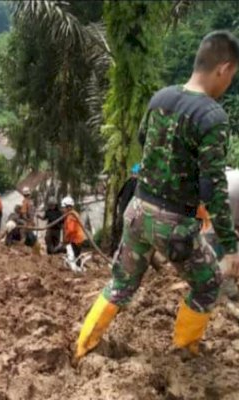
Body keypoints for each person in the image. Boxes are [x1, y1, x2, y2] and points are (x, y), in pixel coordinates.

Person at [76, 31, 239, 359]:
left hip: (137, 210)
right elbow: (213, 189)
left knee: (121, 284)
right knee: (208, 284)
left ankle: (82, 346)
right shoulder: (212, 118)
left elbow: (142, 137)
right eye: (232, 75)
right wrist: (231, 248)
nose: (230, 83)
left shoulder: (160, 98)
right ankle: (184, 352)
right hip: (174, 223)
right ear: (223, 68)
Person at [111, 163, 140, 253]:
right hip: (127, 214)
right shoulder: (133, 183)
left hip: (125, 214)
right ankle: (118, 252)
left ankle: (117, 251)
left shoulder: (131, 183)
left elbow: (119, 198)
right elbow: (125, 199)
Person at [59, 196, 86, 265]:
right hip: (76, 238)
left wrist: (65, 239)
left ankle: (77, 269)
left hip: (76, 239)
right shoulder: (71, 214)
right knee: (76, 255)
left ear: (68, 207)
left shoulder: (71, 216)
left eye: (63, 208)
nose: (62, 210)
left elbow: (70, 230)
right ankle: (77, 267)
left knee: (75, 255)